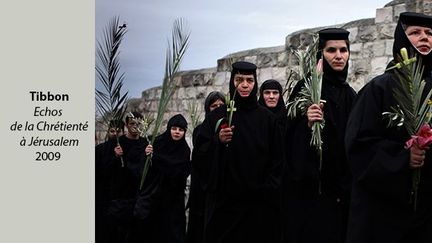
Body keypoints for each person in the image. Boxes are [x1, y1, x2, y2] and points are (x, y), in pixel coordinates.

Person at [345, 12, 432, 243]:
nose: (424, 38)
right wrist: (403, 157)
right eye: (415, 32)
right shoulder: (378, 89)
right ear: (401, 40)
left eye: (429, 33)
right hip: (385, 214)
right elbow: (358, 146)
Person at [193, 61, 283, 243]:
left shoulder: (267, 120)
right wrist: (217, 141)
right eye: (239, 79)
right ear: (232, 81)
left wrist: (266, 191)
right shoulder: (217, 116)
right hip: (224, 207)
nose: (244, 85)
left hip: (257, 207)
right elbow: (200, 154)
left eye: (249, 80)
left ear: (255, 82)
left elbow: (278, 161)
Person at [283, 28, 356, 243]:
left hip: (341, 194)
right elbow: (288, 135)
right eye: (331, 50)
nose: (338, 55)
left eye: (343, 50)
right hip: (312, 193)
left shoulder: (350, 94)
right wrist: (306, 123)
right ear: (321, 54)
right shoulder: (306, 88)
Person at [128, 114, 191, 243]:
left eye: (181, 129)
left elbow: (180, 172)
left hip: (173, 199)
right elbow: (143, 169)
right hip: (155, 196)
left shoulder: (184, 150)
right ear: (169, 129)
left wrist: (158, 159)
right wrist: (147, 155)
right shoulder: (156, 143)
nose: (177, 132)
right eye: (174, 128)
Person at [187, 91, 225, 243]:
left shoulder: (231, 126)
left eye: (221, 106)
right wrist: (218, 140)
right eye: (213, 106)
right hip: (205, 188)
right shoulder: (201, 130)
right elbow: (202, 155)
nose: (217, 109)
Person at [107, 111, 148, 243]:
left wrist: (149, 155)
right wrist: (115, 156)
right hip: (121, 199)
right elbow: (107, 170)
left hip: (140, 198)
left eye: (138, 124)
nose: (135, 127)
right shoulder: (118, 144)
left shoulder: (145, 143)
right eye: (132, 124)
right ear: (126, 125)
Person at [95, 119, 124, 243]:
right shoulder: (100, 149)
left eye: (118, 131)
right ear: (108, 132)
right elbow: (98, 171)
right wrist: (114, 157)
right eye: (112, 131)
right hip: (104, 198)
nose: (115, 134)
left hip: (121, 197)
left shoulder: (126, 148)